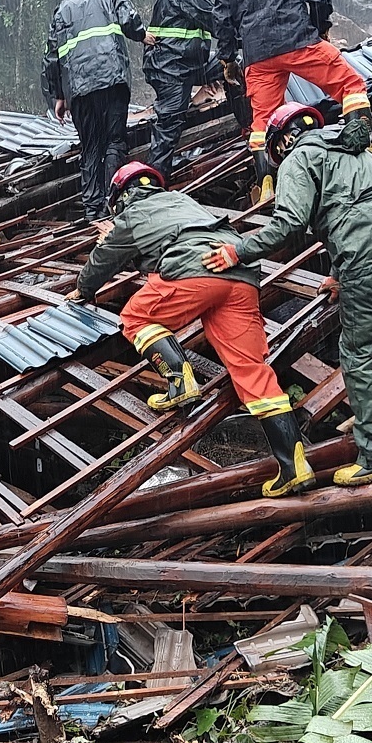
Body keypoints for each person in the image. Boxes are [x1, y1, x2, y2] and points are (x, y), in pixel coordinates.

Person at [72, 161, 317, 497]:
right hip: (241, 277)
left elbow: (106, 256)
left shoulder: (134, 212)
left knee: (136, 317)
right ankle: (294, 466)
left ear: (123, 195)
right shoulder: (184, 202)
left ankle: (179, 380)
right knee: (253, 372)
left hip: (195, 272)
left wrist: (83, 290)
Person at [213, 102, 372, 487]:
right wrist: (338, 273)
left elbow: (289, 224)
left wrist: (237, 250)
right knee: (371, 339)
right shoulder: (353, 148)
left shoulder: (298, 158)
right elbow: (363, 206)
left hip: (366, 255)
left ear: (281, 141)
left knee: (361, 353)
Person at [212, 0, 370, 195]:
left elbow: (222, 21)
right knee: (351, 85)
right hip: (299, 41)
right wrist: (320, 29)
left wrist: (228, 59)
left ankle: (267, 183)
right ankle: (366, 149)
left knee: (262, 123)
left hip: (258, 57)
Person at [43, 0, 147, 222]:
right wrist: (143, 35)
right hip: (112, 80)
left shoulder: (62, 9)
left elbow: (51, 57)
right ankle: (114, 198)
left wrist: (59, 96)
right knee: (114, 141)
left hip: (78, 90)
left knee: (90, 148)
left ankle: (92, 209)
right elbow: (130, 19)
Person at [144, 0, 229, 175]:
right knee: (169, 127)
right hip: (172, 67)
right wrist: (246, 37)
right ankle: (153, 181)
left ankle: (245, 122)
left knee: (230, 62)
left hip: (185, 64)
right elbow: (215, 24)